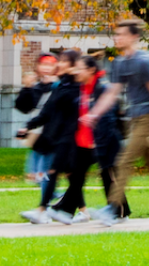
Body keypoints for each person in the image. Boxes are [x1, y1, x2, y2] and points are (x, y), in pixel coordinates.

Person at [83, 18, 149, 227]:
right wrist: (94, 113)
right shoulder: (121, 63)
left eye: (121, 34)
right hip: (135, 118)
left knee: (124, 159)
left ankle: (112, 208)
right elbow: (112, 92)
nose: (117, 38)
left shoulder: (145, 62)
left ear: (133, 37)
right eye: (116, 34)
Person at [41, 54, 106, 224]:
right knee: (76, 177)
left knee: (104, 176)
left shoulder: (91, 87)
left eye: (79, 68)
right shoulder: (77, 86)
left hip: (91, 140)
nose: (77, 71)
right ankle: (73, 211)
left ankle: (115, 210)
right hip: (80, 139)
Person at [14, 53, 61, 185]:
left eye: (50, 65)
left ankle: (50, 200)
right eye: (43, 64)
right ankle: (53, 197)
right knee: (34, 176)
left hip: (53, 134)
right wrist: (27, 88)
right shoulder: (36, 87)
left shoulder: (60, 86)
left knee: (43, 174)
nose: (46, 68)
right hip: (36, 133)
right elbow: (23, 107)